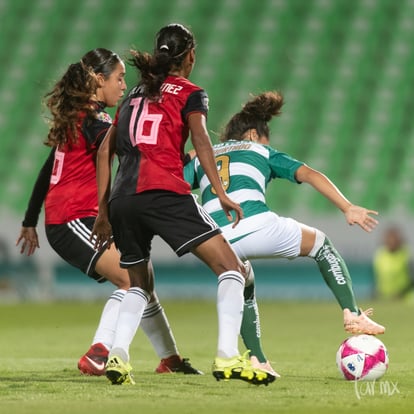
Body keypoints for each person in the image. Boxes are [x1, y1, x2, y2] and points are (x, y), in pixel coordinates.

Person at [91, 24, 274, 386]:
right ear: (189, 54)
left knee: (138, 284)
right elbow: (202, 140)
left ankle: (119, 355)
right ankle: (226, 356)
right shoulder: (191, 93)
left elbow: (103, 151)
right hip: (164, 192)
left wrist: (102, 211)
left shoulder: (133, 95)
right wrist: (221, 192)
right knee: (231, 268)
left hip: (123, 199)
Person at [16, 48, 202, 378]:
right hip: (73, 218)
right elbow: (135, 150)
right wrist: (183, 160)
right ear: (99, 81)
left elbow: (48, 170)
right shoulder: (97, 122)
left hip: (75, 217)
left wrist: (30, 220)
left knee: (143, 280)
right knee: (132, 281)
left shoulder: (80, 117)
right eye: (118, 79)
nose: (122, 86)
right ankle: (100, 350)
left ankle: (169, 359)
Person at [184, 91, 386, 371]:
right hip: (255, 224)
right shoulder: (260, 150)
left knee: (243, 283)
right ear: (254, 135)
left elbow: (173, 185)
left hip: (215, 238)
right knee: (321, 245)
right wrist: (347, 206)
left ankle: (258, 359)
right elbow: (311, 174)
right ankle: (352, 313)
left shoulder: (201, 156)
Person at [373, 225, 414, 300]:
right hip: (384, 296)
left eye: (394, 239)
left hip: (405, 296)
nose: (392, 241)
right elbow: (376, 278)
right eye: (389, 239)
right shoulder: (380, 254)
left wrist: (401, 293)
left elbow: (411, 278)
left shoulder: (406, 254)